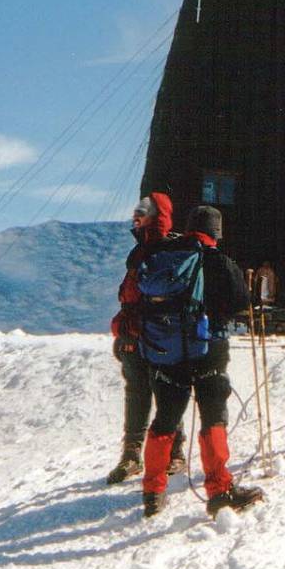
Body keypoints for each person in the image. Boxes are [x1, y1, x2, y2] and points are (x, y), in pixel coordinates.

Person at [141, 205, 263, 518]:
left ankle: (153, 492)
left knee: (165, 419)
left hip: (167, 351)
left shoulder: (165, 257)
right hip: (209, 348)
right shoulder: (219, 261)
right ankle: (219, 491)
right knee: (212, 418)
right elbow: (240, 302)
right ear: (216, 232)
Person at [107, 193, 186, 485]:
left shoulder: (171, 250)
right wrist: (123, 331)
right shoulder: (139, 251)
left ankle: (174, 452)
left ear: (157, 217)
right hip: (135, 335)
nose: (135, 217)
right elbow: (129, 297)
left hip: (162, 335)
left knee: (166, 393)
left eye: (142, 212)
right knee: (137, 393)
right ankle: (131, 454)